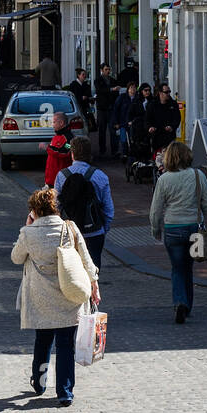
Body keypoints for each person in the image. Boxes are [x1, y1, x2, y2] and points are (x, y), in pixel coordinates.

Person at [11, 186, 100, 406]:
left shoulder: (28, 233)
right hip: (67, 297)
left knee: (42, 341)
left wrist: (27, 226)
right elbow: (86, 261)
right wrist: (94, 284)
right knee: (65, 345)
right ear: (54, 208)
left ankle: (40, 383)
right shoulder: (69, 228)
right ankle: (64, 392)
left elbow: (16, 257)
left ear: (35, 210)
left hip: (40, 298)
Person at [149, 141, 207, 322]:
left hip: (172, 228)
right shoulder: (198, 175)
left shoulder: (164, 180)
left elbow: (155, 210)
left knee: (177, 268)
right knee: (189, 267)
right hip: (194, 226)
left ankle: (179, 302)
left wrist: (155, 228)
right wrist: (200, 214)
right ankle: (187, 304)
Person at [53, 135, 114, 271]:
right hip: (94, 231)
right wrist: (104, 228)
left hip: (70, 232)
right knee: (93, 272)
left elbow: (56, 205)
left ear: (72, 154)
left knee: (70, 273)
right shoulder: (100, 175)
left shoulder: (62, 175)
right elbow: (108, 207)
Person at [145, 83, 182, 155]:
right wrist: (150, 127)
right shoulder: (152, 104)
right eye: (166, 92)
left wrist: (172, 127)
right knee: (158, 157)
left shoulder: (173, 104)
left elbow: (177, 118)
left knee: (170, 155)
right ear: (160, 93)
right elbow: (147, 119)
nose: (168, 94)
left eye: (169, 92)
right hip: (156, 135)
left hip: (169, 135)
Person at [94, 64, 119, 157]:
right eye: (106, 69)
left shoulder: (113, 80)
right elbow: (100, 90)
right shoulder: (98, 80)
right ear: (102, 70)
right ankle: (102, 149)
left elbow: (116, 93)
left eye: (109, 69)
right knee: (102, 130)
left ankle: (114, 150)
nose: (108, 71)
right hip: (102, 109)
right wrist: (112, 89)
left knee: (113, 130)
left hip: (110, 108)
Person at [112, 80, 139, 158]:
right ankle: (125, 154)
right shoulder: (122, 97)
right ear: (128, 89)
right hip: (123, 122)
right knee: (123, 139)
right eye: (131, 87)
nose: (133, 89)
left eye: (134, 88)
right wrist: (116, 122)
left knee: (132, 139)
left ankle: (132, 154)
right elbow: (116, 110)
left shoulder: (137, 99)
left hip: (133, 123)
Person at [44, 112, 72, 186]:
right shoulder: (56, 136)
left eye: (54, 122)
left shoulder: (69, 138)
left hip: (60, 180)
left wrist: (47, 148)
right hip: (51, 179)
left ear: (61, 123)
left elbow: (65, 152)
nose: (52, 125)